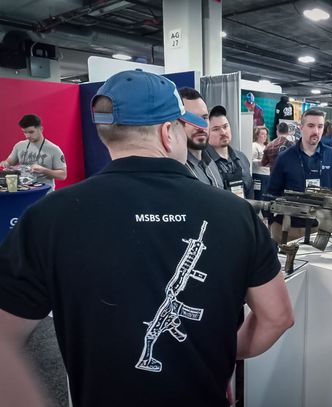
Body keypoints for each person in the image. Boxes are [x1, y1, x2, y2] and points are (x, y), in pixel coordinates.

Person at [0, 70, 294, 407]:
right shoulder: (236, 213)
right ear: (168, 133)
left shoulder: (47, 216)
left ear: (105, 135)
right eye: (182, 127)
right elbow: (278, 317)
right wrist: (223, 353)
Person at [267, 108, 332, 242]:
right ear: (301, 128)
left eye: (320, 126)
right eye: (311, 126)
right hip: (288, 229)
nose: (316, 131)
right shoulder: (284, 158)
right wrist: (271, 223)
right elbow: (271, 194)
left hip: (321, 230)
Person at [1, 114, 67, 190]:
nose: (27, 136)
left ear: (41, 129)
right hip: (23, 190)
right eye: (25, 132)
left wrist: (44, 170)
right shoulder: (19, 146)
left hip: (44, 192)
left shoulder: (54, 149)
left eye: (31, 132)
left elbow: (63, 175)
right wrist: (5, 163)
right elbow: (9, 162)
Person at [178, 87, 224, 188]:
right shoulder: (176, 170)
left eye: (204, 118)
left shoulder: (212, 162)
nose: (200, 126)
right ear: (176, 122)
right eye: (192, 118)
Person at [207, 105, 254, 199]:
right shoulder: (204, 162)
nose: (223, 132)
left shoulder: (241, 158)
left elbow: (250, 192)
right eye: (216, 129)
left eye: (225, 126)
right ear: (206, 132)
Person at [252, 126, 270, 200]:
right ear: (257, 135)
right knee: (259, 196)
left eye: (266, 134)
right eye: (262, 134)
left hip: (267, 174)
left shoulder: (267, 146)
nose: (265, 136)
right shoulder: (254, 145)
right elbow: (252, 160)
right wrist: (263, 161)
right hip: (258, 174)